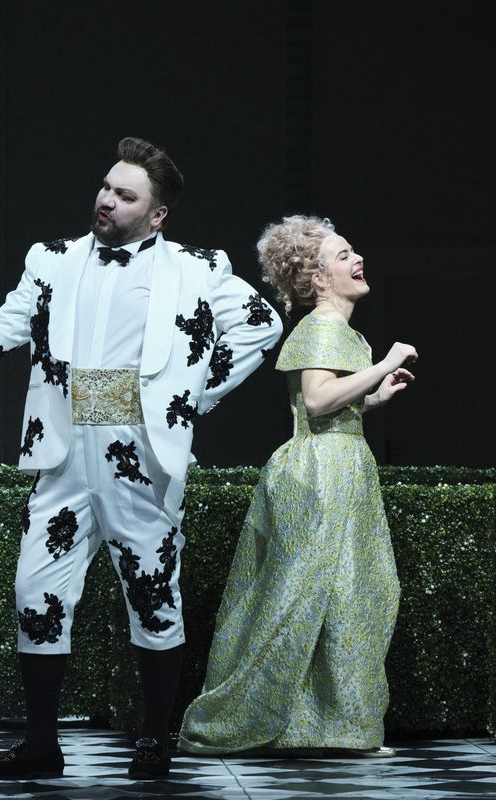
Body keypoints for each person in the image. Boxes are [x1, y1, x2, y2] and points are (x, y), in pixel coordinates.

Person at [0, 137, 283, 779]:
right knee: (34, 591)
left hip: (141, 451)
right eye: (106, 187)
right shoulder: (52, 259)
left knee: (152, 592)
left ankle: (155, 738)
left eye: (125, 195)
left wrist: (187, 395)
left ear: (157, 214)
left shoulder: (199, 267)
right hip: (64, 449)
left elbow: (262, 324)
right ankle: (42, 746)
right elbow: (2, 327)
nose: (107, 200)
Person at [177, 215, 416, 757]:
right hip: (318, 474)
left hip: (341, 466)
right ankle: (243, 716)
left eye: (354, 251)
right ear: (318, 277)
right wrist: (385, 363)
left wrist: (375, 396)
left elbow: (333, 407)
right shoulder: (322, 326)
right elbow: (316, 401)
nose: (357, 259)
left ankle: (330, 726)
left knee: (350, 595)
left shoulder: (342, 331)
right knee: (302, 595)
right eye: (343, 255)